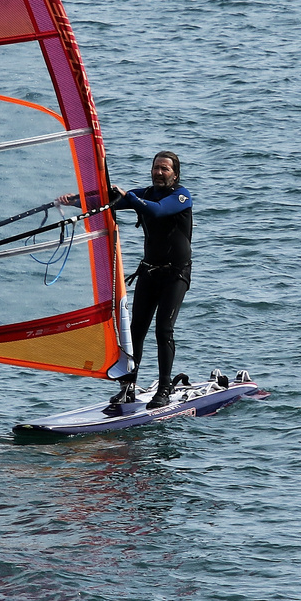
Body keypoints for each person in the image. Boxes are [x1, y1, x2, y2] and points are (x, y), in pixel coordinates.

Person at [107, 151, 193, 410]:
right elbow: (108, 203)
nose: (158, 172)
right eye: (156, 167)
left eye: (164, 169)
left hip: (175, 275)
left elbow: (156, 212)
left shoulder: (181, 196)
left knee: (163, 330)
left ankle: (164, 388)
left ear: (175, 173)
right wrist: (74, 201)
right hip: (149, 272)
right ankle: (128, 386)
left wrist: (129, 197)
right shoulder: (144, 194)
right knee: (135, 331)